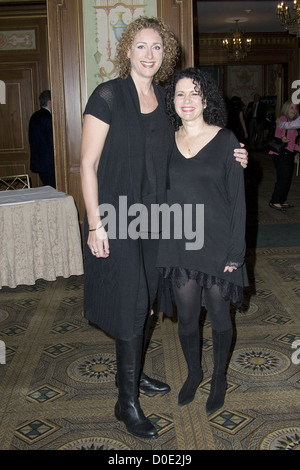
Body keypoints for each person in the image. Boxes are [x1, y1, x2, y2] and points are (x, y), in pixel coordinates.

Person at [80, 17, 249, 439]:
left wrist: (237, 157)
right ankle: (126, 401)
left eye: (157, 47)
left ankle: (133, 376)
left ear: (165, 54)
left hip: (158, 223)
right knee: (131, 302)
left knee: (151, 301)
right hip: (118, 219)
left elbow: (190, 153)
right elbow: (87, 164)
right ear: (127, 50)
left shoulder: (162, 99)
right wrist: (94, 223)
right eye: (141, 46)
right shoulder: (108, 95)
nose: (149, 54)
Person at [157, 68, 248, 416]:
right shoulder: (165, 141)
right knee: (187, 318)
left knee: (221, 317)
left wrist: (236, 251)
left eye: (195, 93)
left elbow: (238, 199)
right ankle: (194, 374)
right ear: (173, 102)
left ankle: (219, 378)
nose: (187, 101)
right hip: (180, 242)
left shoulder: (226, 141)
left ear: (206, 98)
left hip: (218, 242)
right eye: (180, 94)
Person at [269, 100, 299, 211]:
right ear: (286, 108)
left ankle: (282, 200)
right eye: (291, 108)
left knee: (287, 178)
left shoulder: (293, 122)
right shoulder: (282, 119)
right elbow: (278, 134)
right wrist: (282, 138)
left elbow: (292, 143)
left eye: (295, 108)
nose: (294, 110)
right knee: (283, 177)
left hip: (289, 153)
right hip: (280, 153)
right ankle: (275, 201)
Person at [28, 90, 55, 188]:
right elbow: (52, 142)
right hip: (50, 162)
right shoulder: (49, 118)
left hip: (38, 161)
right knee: (53, 189)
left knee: (47, 187)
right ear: (49, 102)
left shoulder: (34, 116)